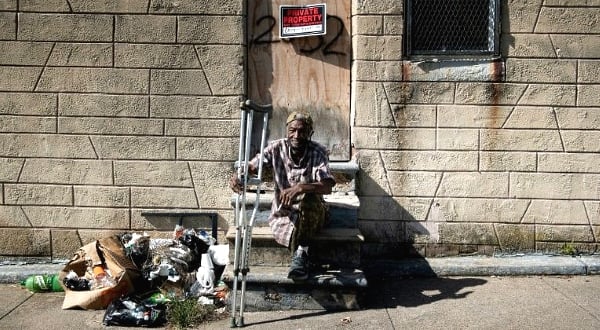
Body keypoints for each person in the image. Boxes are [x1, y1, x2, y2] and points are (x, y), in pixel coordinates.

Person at [229, 111, 336, 280]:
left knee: (310, 199)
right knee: (292, 229)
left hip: (312, 212)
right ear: (287, 130)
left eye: (302, 131)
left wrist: (301, 187)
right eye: (292, 130)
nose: (297, 135)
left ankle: (300, 256)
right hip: (283, 212)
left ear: (310, 133)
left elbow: (328, 185)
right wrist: (239, 175)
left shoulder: (318, 152)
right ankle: (302, 254)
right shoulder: (276, 147)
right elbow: (253, 165)